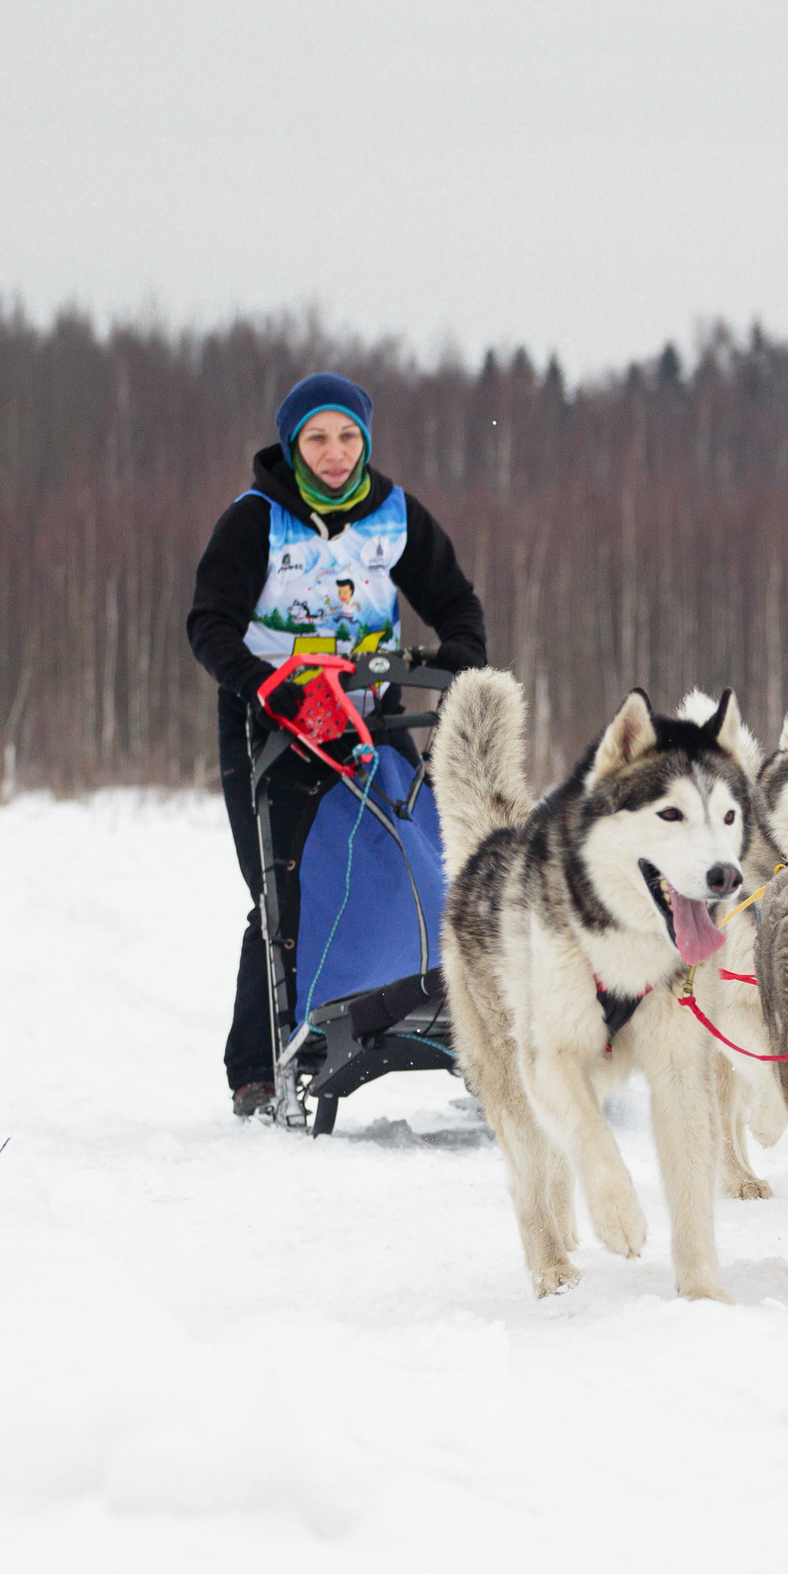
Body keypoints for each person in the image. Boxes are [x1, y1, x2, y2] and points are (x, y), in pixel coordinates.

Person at [186, 373, 487, 1116]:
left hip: (371, 715)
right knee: (279, 893)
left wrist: (462, 658)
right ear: (293, 445)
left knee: (426, 863)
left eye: (348, 436)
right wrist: (267, 684)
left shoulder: (394, 514)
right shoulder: (255, 520)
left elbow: (456, 601)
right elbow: (209, 624)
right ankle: (258, 1067)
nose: (334, 453)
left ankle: (461, 1027)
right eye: (318, 438)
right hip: (273, 722)